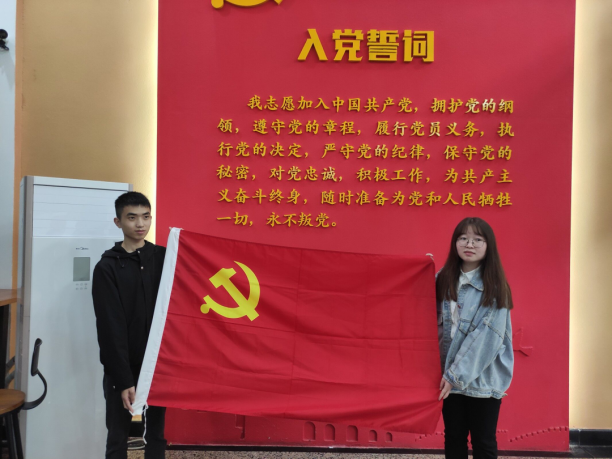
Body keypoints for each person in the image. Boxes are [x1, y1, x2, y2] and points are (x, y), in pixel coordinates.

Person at [92, 192, 167, 459]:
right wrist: (124, 379)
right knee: (117, 436)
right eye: (132, 217)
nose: (140, 224)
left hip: (157, 364)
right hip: (121, 366)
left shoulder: (163, 258)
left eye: (146, 217)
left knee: (155, 435)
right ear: (118, 222)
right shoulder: (107, 267)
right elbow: (110, 327)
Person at [436, 217, 514, 459]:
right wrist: (421, 272)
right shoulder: (441, 279)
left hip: (483, 380)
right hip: (448, 377)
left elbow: (486, 338)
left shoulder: (496, 286)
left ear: (488, 245)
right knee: (453, 438)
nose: (469, 244)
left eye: (477, 239)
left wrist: (454, 376)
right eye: (463, 238)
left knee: (483, 442)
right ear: (455, 243)